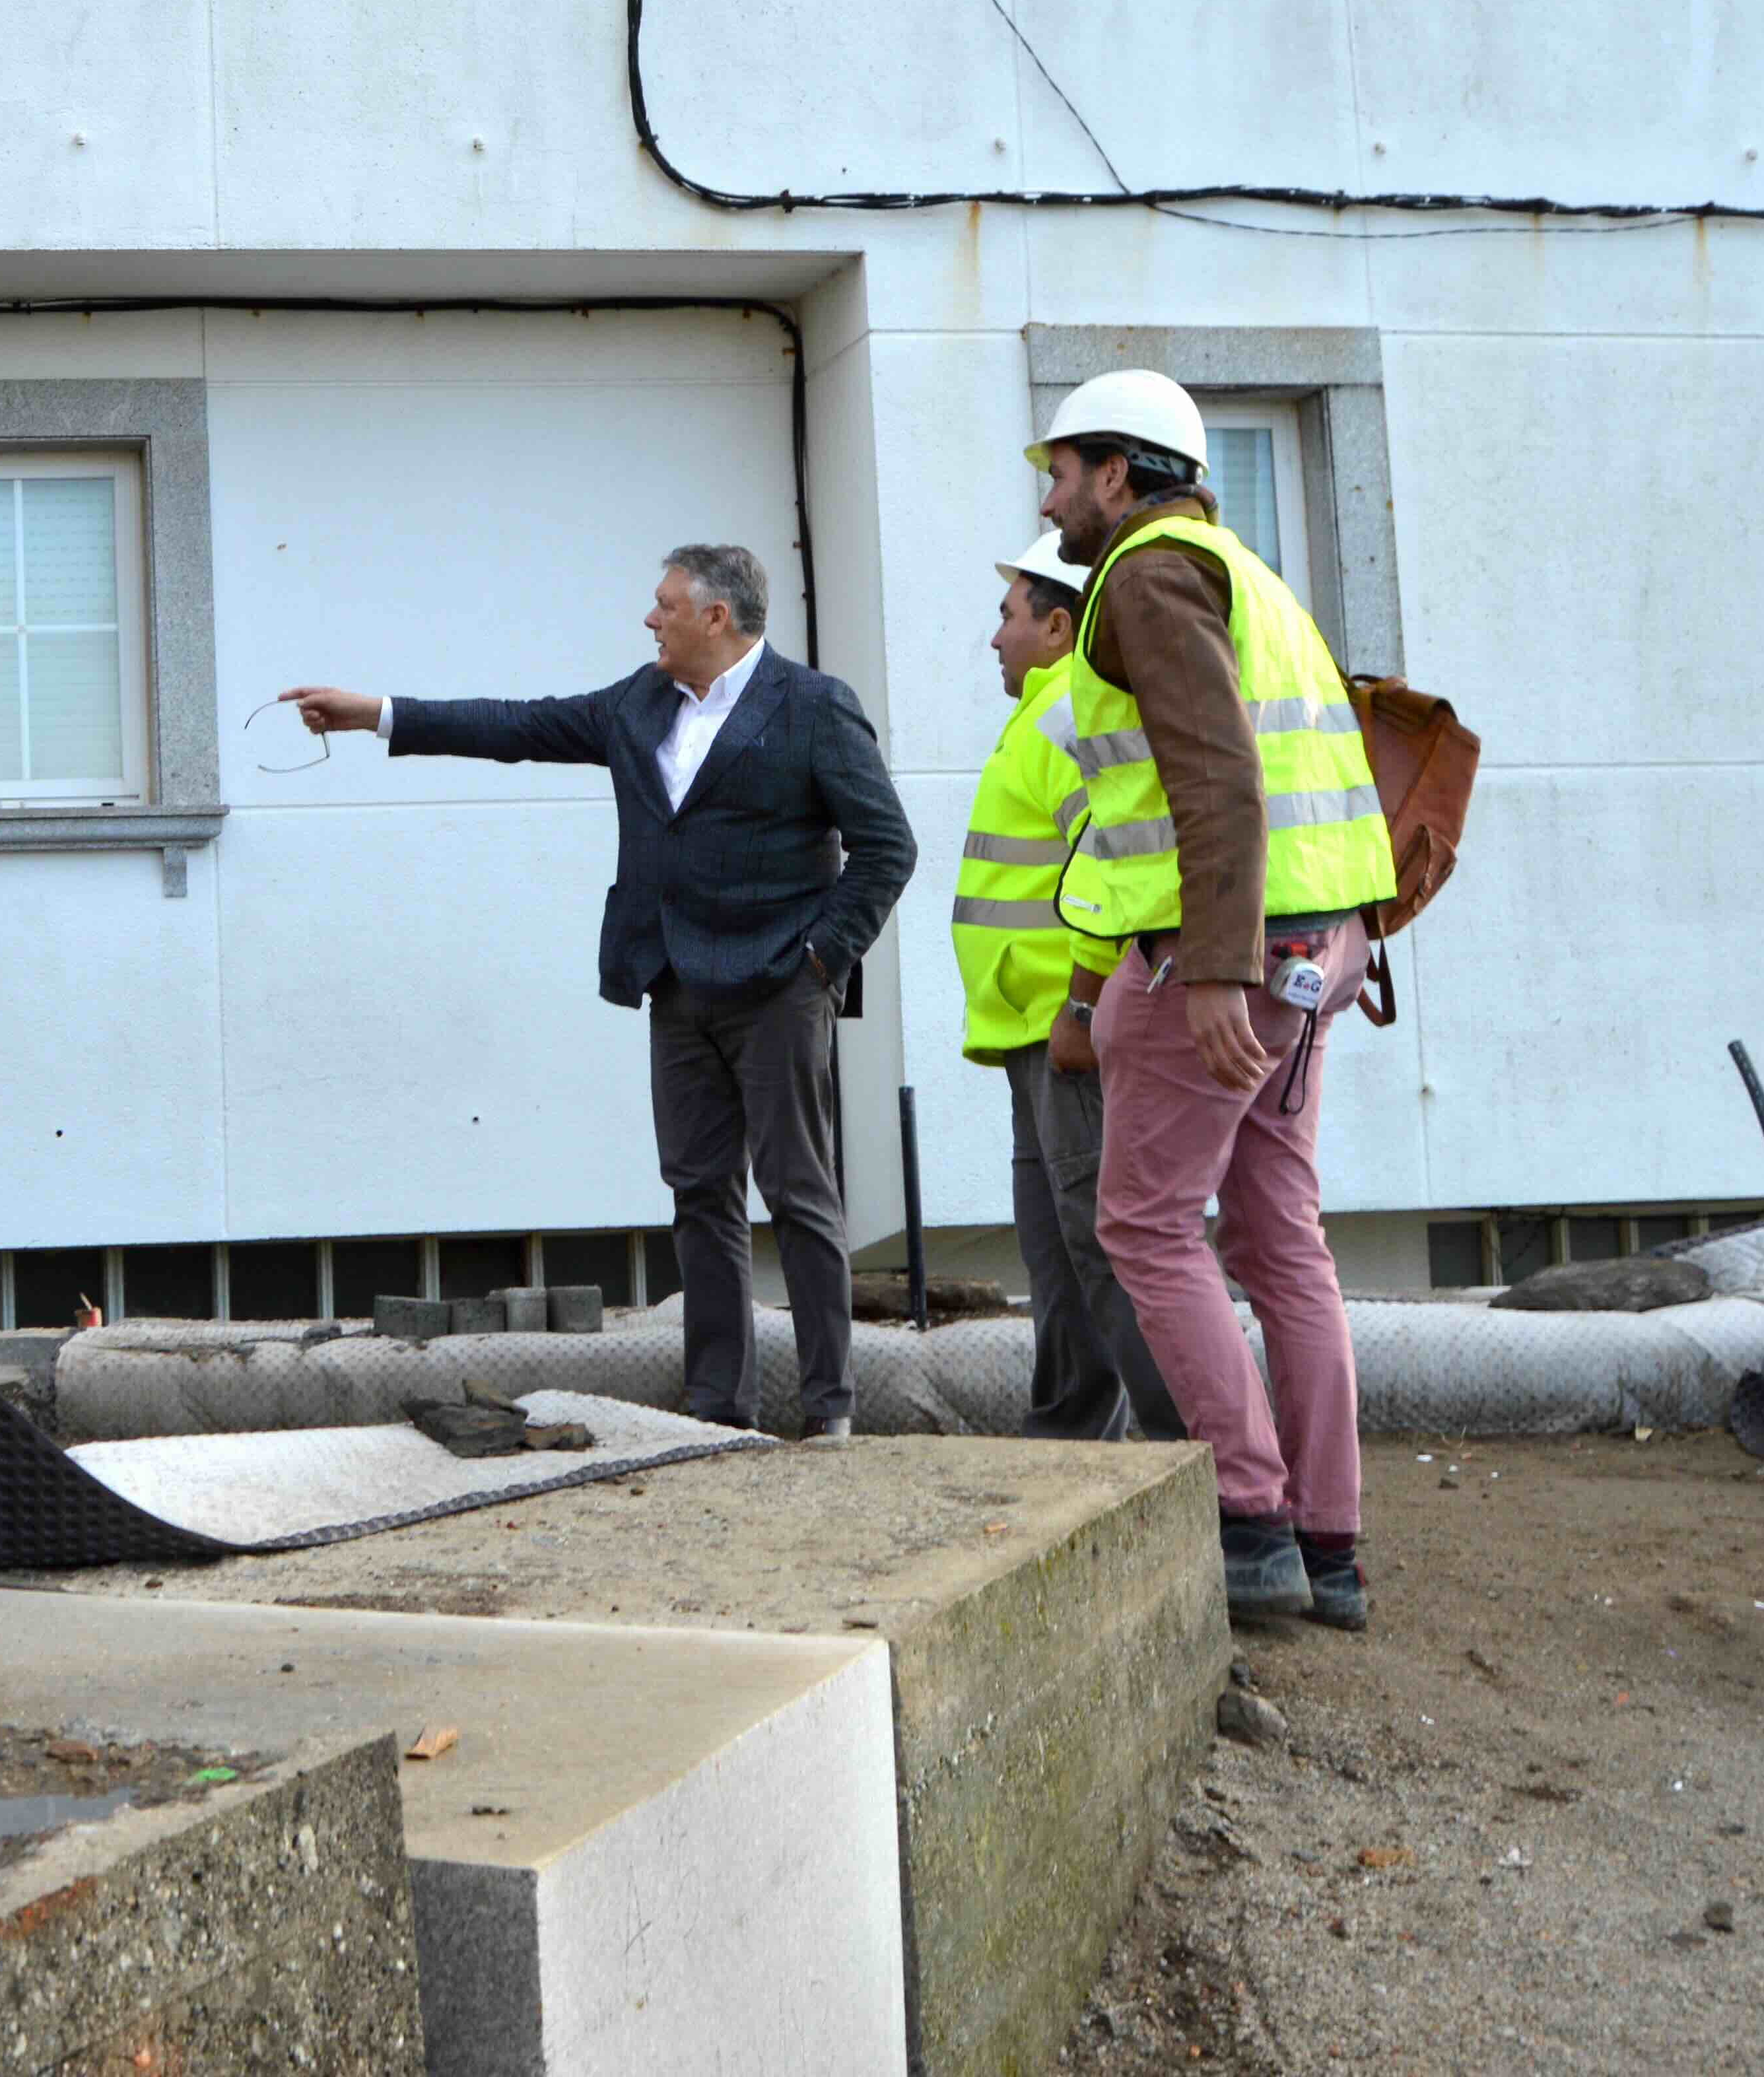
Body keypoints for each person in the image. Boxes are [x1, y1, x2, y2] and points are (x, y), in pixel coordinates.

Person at [278, 545, 917, 1439]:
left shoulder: (813, 707)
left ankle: (831, 1409)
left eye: (664, 606)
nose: (648, 620)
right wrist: (378, 715)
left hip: (778, 989)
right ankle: (718, 1410)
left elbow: (889, 847)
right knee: (700, 1196)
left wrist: (820, 958)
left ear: (717, 619)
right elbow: (522, 727)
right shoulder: (641, 702)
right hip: (675, 985)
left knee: (799, 1193)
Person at [1031, 371, 1396, 1631]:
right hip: (1311, 951)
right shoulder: (1255, 577)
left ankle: (1249, 1524)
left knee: (1141, 1226)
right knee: (1281, 1239)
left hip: (1213, 957)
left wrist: (1215, 968)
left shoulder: (1148, 573)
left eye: (1065, 470)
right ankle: (1329, 1546)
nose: (1054, 496)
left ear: (1121, 474)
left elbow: (1216, 776)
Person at [957, 528, 1182, 1445]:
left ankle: (1188, 1448)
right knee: (1059, 1256)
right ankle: (1070, 1440)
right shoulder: (1044, 716)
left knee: (1101, 1248)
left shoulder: (1064, 720)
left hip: (1069, 1032)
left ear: (1058, 625)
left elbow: (1125, 855)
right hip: (1033, 1028)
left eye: (1009, 616)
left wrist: (1084, 1003)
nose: (995, 637)